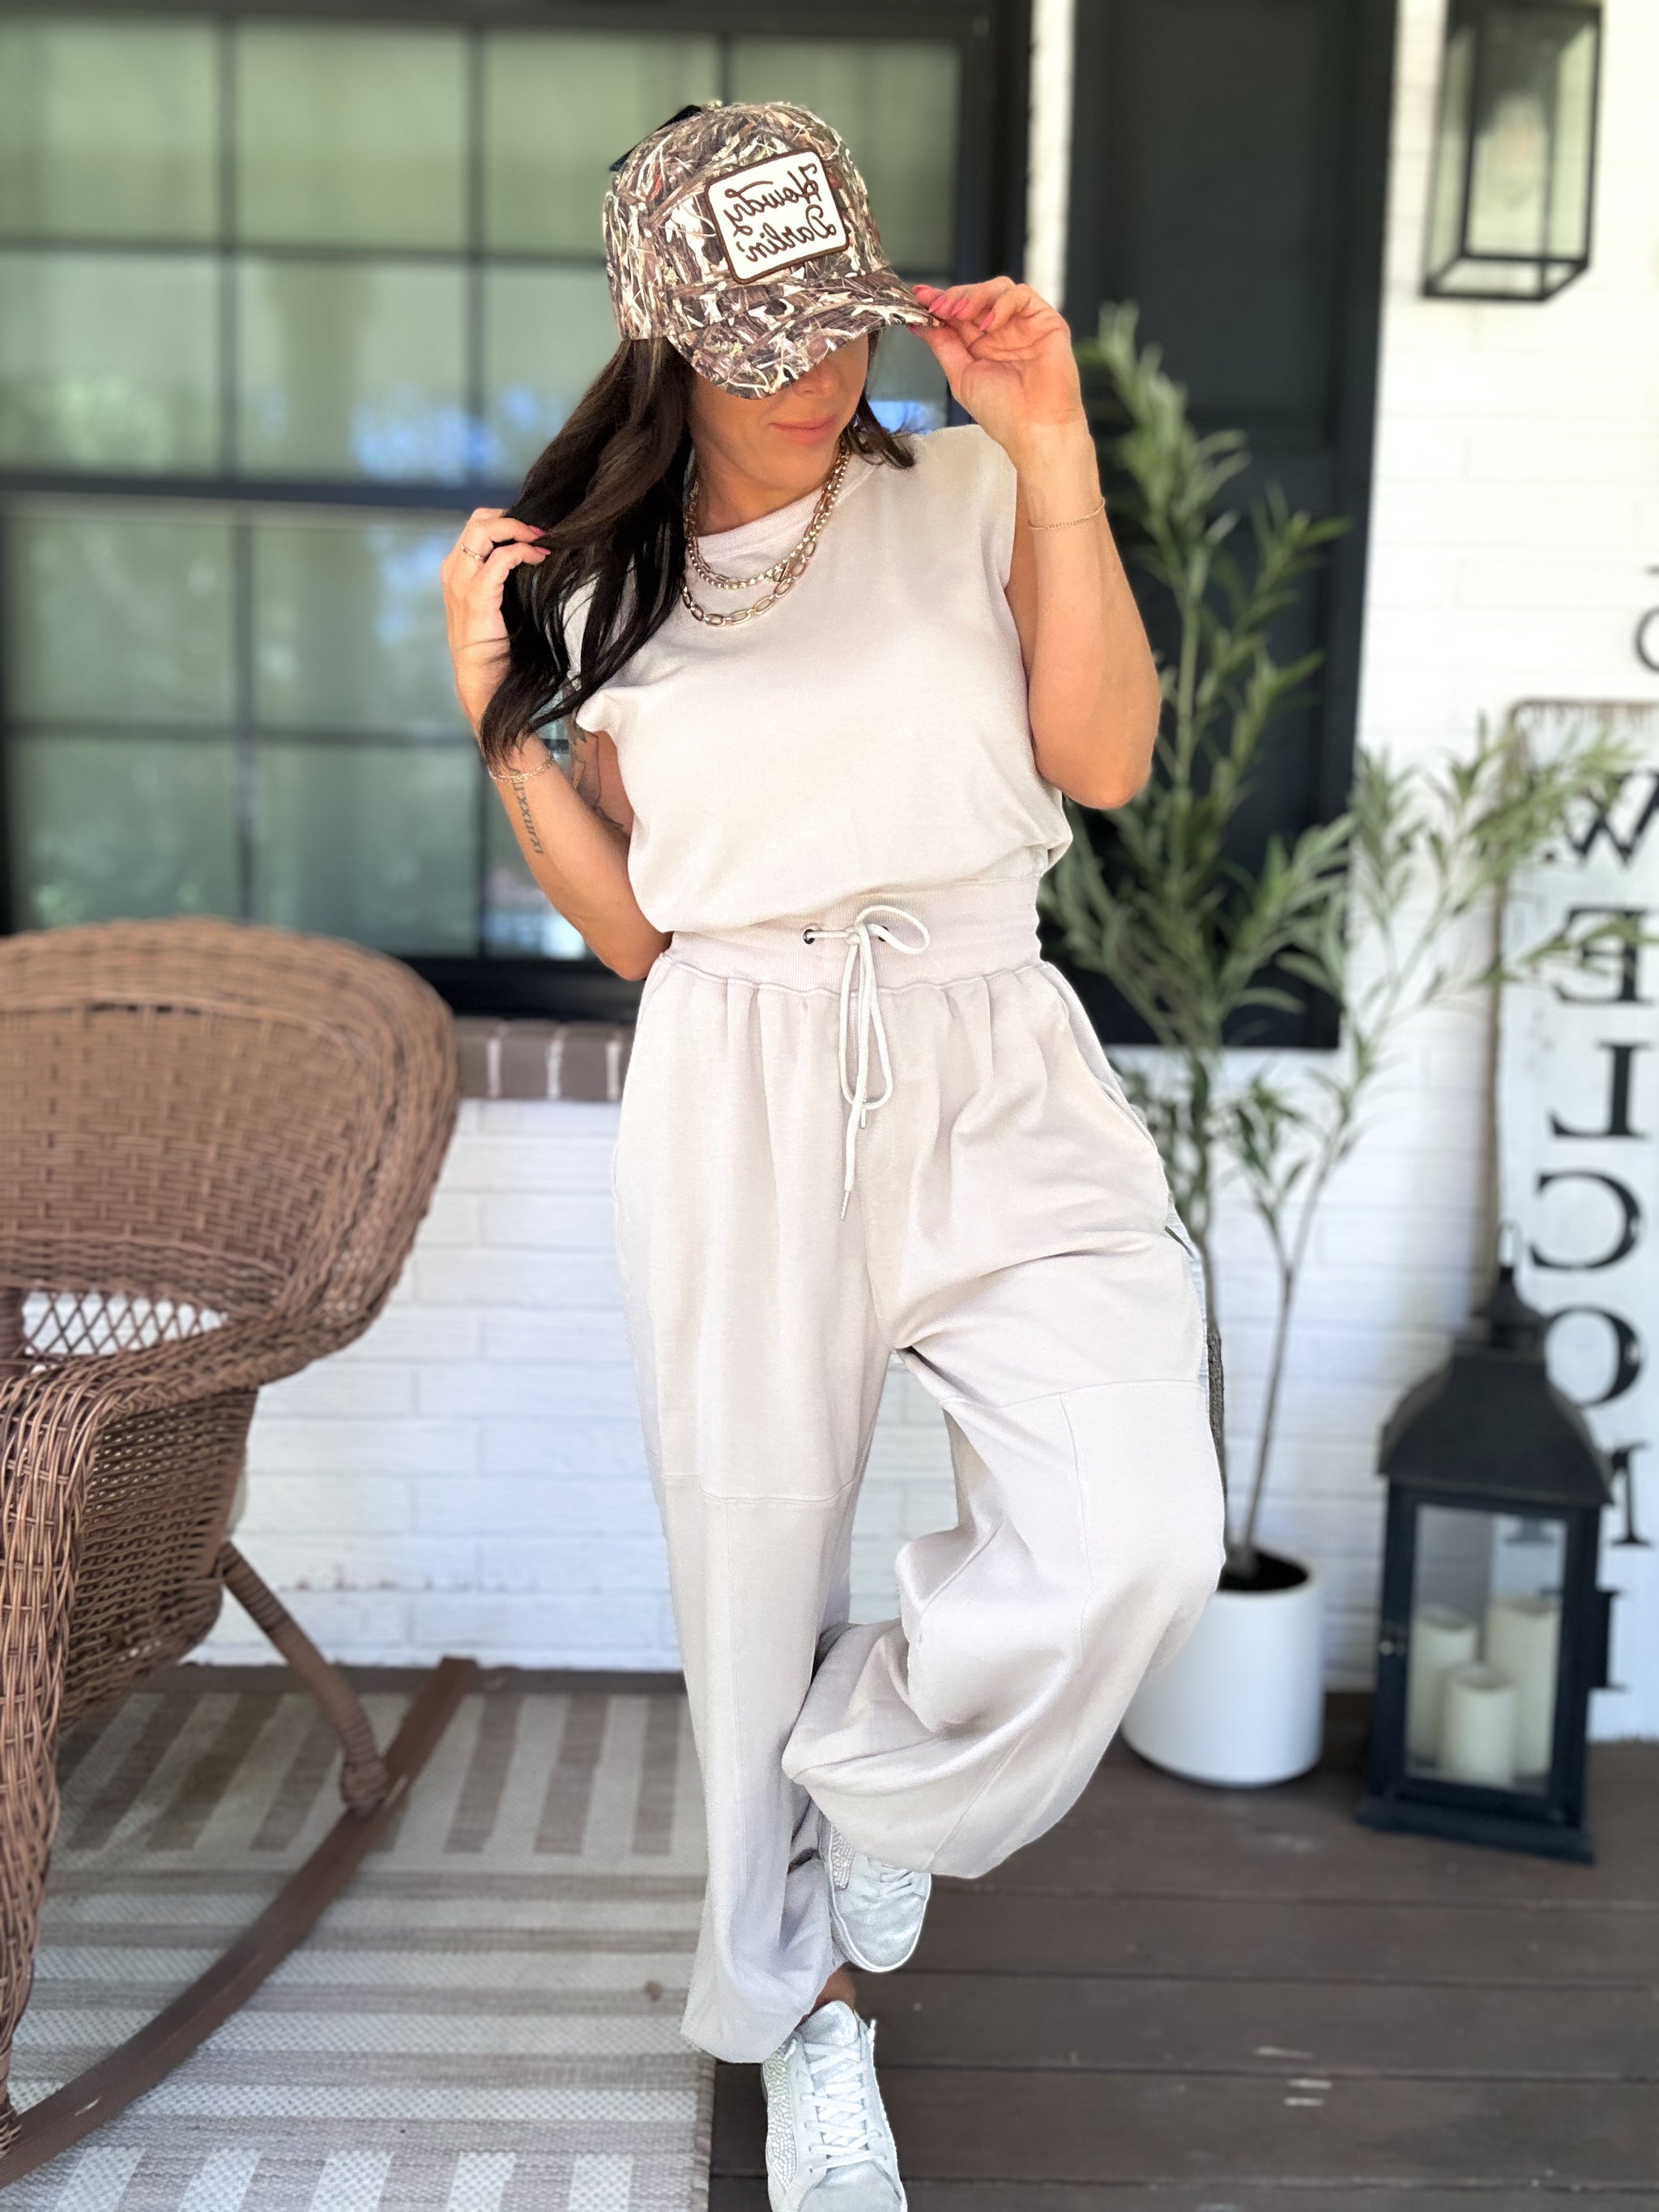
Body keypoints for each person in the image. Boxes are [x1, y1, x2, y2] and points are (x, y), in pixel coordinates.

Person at [442, 99, 1226, 2212]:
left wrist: (1053, 446)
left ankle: (874, 1787)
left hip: (991, 1039)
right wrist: (500, 712)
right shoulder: (601, 583)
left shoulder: (968, 485)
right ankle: (804, 2019)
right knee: (751, 1573)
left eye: (834, 319)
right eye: (756, 338)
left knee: (1136, 1527)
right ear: (666, 339)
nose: (811, 371)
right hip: (744, 1069)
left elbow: (1105, 758)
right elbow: (634, 932)